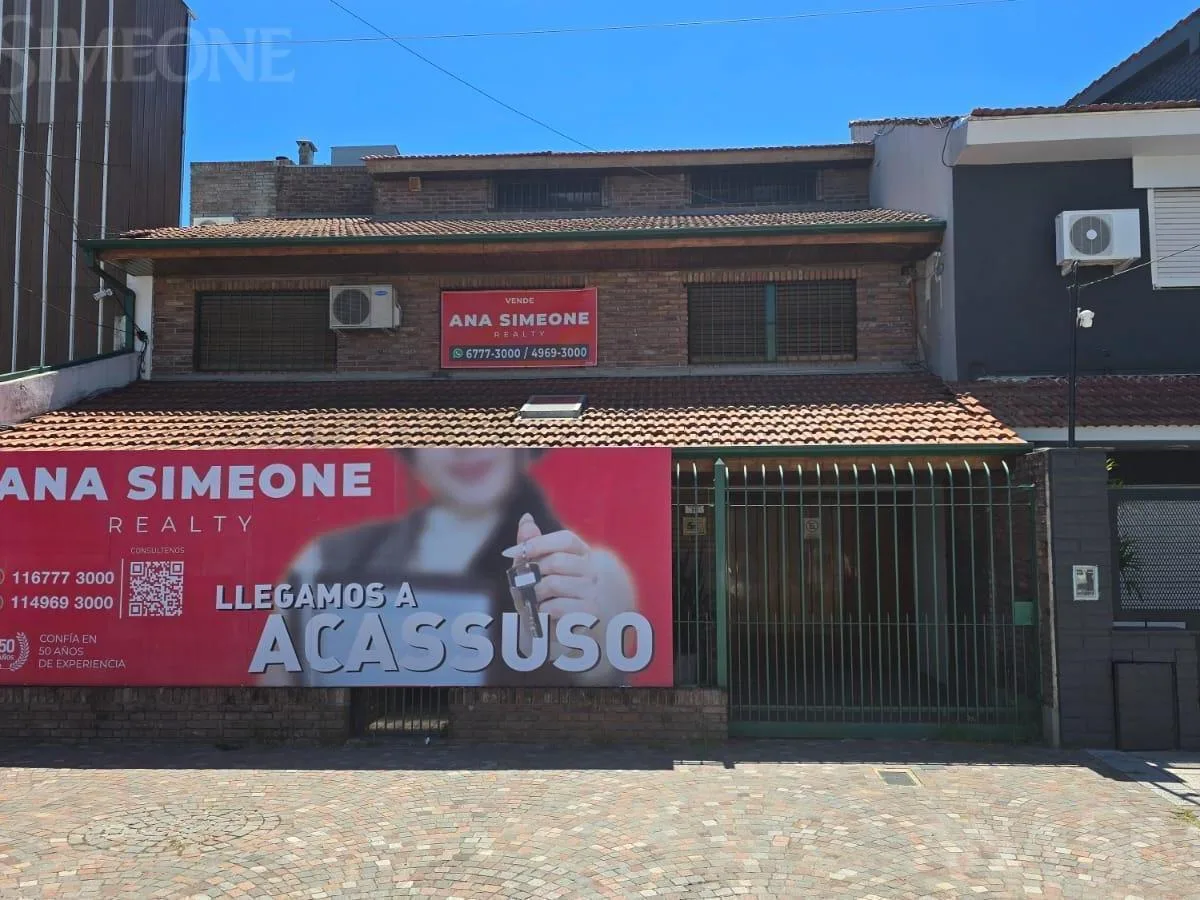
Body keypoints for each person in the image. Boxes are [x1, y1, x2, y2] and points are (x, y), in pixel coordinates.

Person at [263, 448, 637, 687]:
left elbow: (604, 677)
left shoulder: (589, 569)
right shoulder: (329, 558)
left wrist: (574, 642)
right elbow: (280, 685)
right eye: (440, 432)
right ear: (411, 451)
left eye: (489, 427)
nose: (464, 446)